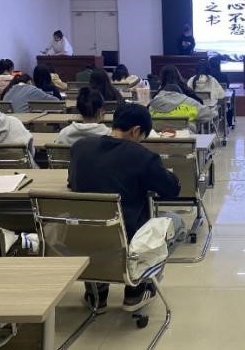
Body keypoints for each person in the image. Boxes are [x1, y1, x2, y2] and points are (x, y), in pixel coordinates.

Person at [68, 103, 181, 311]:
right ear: (135, 131)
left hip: (82, 239)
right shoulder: (142, 156)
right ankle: (136, 290)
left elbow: (71, 183)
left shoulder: (80, 148)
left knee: (98, 228)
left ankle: (96, 293)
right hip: (127, 242)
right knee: (177, 222)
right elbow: (171, 190)